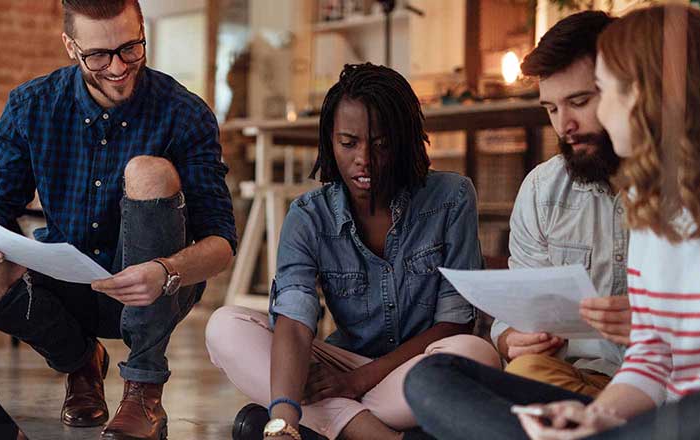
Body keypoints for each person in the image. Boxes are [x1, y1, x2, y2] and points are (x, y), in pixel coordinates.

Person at [405, 5, 700, 439]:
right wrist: (592, 419)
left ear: (656, 95)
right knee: (433, 377)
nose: (565, 126)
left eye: (600, 93)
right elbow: (651, 361)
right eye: (553, 108)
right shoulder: (647, 196)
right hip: (654, 421)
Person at [0, 1, 237, 439]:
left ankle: (144, 389)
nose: (119, 67)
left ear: (142, 31)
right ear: (71, 46)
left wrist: (168, 270)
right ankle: (81, 362)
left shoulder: (186, 112)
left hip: (158, 284)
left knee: (148, 170)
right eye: (99, 55)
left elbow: (222, 242)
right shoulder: (32, 105)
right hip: (69, 281)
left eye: (131, 48)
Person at [205, 63, 501, 440]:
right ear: (329, 141)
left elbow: (455, 322)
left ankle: (326, 424)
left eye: (381, 144)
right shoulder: (308, 216)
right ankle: (376, 433)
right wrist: (282, 423)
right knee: (225, 327)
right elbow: (294, 323)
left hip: (414, 370)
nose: (364, 158)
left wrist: (356, 383)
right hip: (340, 365)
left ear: (405, 139)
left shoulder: (452, 197)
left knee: (476, 355)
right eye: (348, 143)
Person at [496, 10, 628, 397]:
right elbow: (517, 314)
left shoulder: (683, 184)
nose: (563, 125)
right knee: (442, 375)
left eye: (579, 101)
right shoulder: (541, 189)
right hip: (578, 380)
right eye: (551, 109)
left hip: (670, 381)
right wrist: (512, 339)